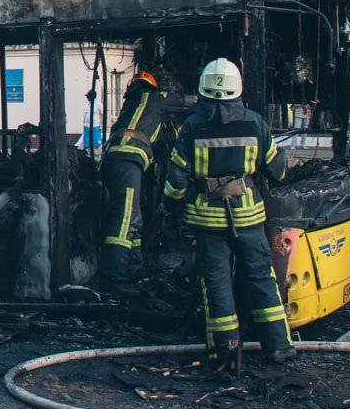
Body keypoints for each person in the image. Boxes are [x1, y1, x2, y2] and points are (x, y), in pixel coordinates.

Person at [160, 58, 295, 369]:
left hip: (208, 222)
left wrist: (169, 208)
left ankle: (225, 354)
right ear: (238, 90)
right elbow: (278, 170)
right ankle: (279, 348)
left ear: (203, 91)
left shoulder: (192, 127)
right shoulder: (256, 123)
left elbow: (177, 177)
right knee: (262, 278)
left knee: (217, 283)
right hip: (248, 217)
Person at [97, 70, 178, 294]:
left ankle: (134, 266)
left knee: (133, 216)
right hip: (127, 162)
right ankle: (114, 274)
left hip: (113, 160)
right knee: (124, 218)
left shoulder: (131, 106)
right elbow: (188, 103)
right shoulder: (156, 98)